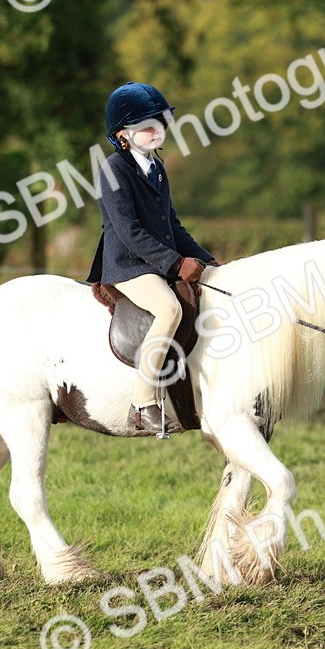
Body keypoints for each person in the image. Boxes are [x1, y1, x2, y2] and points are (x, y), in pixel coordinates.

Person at [86, 81, 218, 435]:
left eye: (157, 122)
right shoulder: (113, 169)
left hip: (153, 261)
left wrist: (208, 261)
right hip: (128, 265)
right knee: (170, 309)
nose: (155, 129)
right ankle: (143, 403)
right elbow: (129, 232)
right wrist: (176, 265)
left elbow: (172, 225)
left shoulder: (157, 168)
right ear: (122, 135)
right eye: (146, 125)